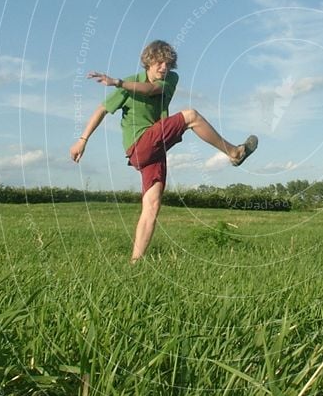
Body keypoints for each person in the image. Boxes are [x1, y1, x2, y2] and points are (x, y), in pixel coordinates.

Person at [70, 40, 257, 263]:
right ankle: (234, 153)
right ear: (148, 63)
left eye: (167, 64)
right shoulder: (128, 84)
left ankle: (134, 262)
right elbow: (102, 109)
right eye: (159, 63)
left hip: (155, 147)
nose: (164, 68)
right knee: (191, 116)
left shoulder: (169, 80)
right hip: (140, 144)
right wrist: (83, 140)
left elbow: (152, 90)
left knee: (152, 205)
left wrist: (118, 82)